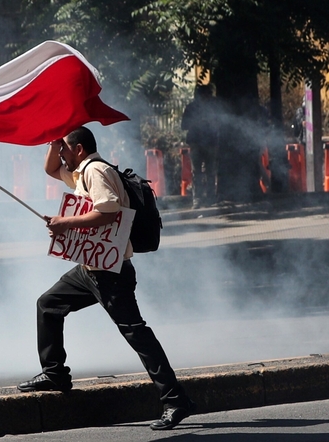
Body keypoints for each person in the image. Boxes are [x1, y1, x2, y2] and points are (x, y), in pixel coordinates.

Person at [17, 127, 196, 431]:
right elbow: (50, 169)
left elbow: (109, 211)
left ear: (80, 150)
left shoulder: (95, 171)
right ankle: (55, 373)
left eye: (65, 149)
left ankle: (176, 400)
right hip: (91, 269)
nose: (61, 155)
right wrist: (54, 140)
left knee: (137, 334)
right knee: (48, 304)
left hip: (111, 273)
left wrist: (65, 224)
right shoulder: (81, 170)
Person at [181, 85, 220, 208]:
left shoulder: (213, 107)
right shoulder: (192, 108)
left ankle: (210, 198)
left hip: (209, 142)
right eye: (207, 94)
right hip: (197, 143)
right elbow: (184, 125)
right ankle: (197, 199)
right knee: (197, 172)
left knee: (210, 171)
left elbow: (220, 123)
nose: (209, 96)